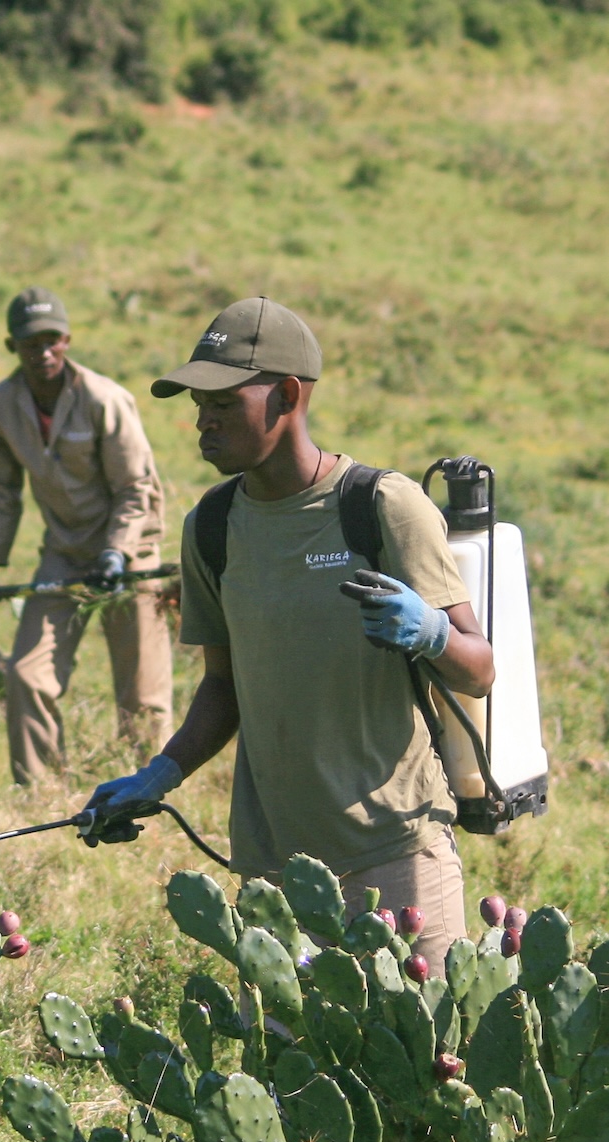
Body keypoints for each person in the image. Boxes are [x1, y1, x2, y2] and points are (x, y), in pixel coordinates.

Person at [84, 297, 494, 967]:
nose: (202, 421)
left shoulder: (382, 507)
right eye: (197, 403)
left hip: (395, 853)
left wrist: (431, 634)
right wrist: (161, 772)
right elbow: (224, 685)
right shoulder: (211, 528)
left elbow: (480, 668)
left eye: (221, 402)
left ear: (287, 395)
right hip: (276, 871)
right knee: (292, 1070)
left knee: (422, 1063)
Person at [0, 286, 172, 785]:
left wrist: (118, 554)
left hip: (131, 553)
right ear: (13, 346)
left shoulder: (104, 399)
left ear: (68, 340)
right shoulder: (2, 406)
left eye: (52, 340)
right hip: (64, 553)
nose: (44, 351)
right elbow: (2, 494)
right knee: (26, 675)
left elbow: (137, 489)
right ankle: (41, 797)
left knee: (142, 696)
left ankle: (151, 795)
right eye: (31, 343)